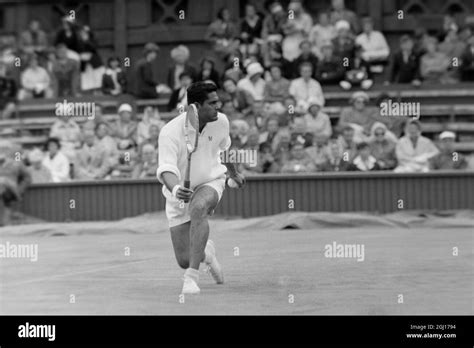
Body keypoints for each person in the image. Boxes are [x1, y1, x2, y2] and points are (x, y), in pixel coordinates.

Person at [157, 82, 245, 294]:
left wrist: (233, 174)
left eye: (218, 101)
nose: (218, 106)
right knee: (184, 259)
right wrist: (176, 189)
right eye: (212, 103)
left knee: (198, 208)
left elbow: (225, 150)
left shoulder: (221, 121)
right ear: (196, 106)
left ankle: (191, 278)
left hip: (211, 181)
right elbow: (166, 169)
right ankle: (207, 254)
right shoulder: (169, 132)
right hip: (178, 195)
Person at [0, 140, 32, 226]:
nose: (2, 151)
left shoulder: (17, 163)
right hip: (3, 192)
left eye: (4, 149)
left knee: (3, 182)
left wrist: (19, 190)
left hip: (11, 191)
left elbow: (27, 178)